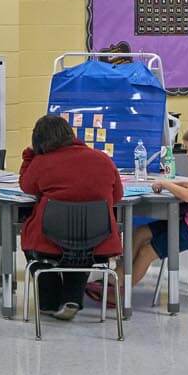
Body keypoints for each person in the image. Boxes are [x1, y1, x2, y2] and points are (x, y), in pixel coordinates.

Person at [17, 113, 122, 321]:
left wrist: (30, 156)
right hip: (97, 243)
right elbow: (117, 196)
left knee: (33, 242)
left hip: (50, 240)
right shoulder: (102, 159)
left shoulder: (42, 163)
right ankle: (72, 298)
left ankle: (48, 301)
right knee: (81, 250)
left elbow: (26, 186)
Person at [120, 122, 188, 305]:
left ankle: (122, 291)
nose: (187, 154)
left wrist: (165, 184)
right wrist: (175, 184)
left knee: (147, 252)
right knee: (141, 232)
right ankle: (123, 273)